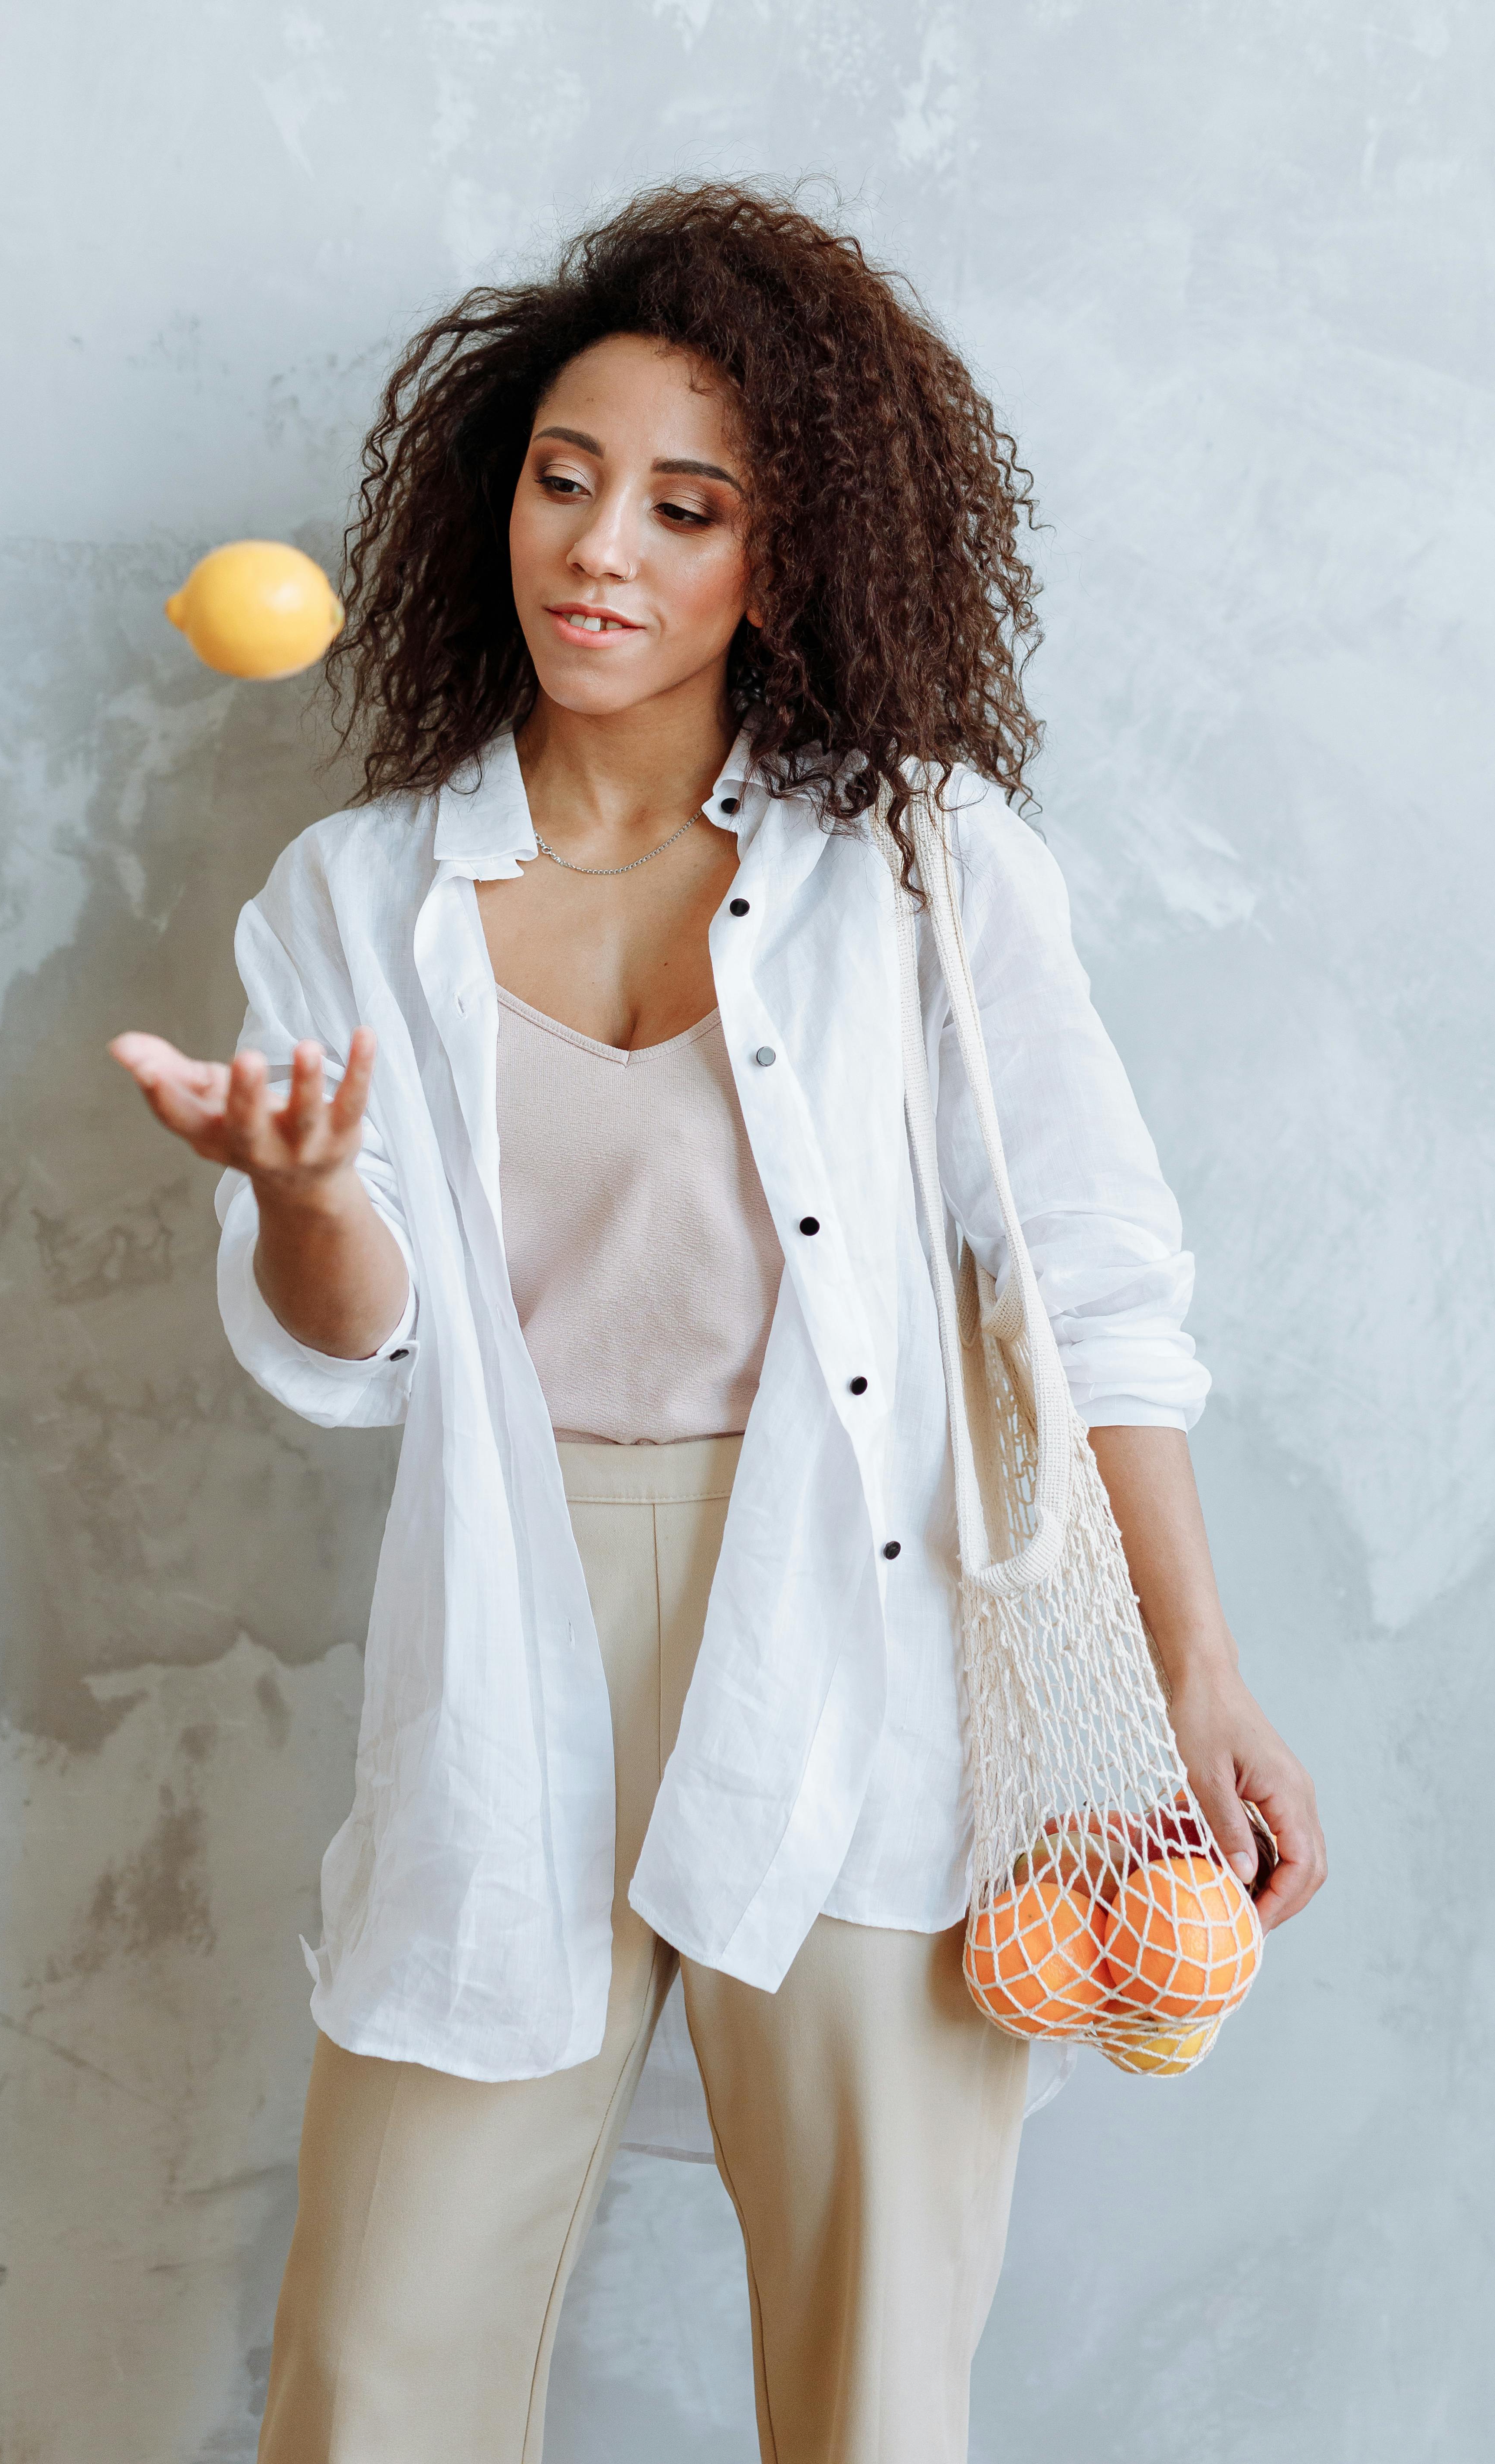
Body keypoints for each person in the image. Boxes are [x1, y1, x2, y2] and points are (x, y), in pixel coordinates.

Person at [112, 183, 1326, 2464]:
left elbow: (1090, 1283)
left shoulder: (932, 865)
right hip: (511, 1618)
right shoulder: (359, 897)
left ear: (792, 552)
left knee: (873, 2378)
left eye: (691, 505)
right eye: (566, 479)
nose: (603, 549)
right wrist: (295, 1197)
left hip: (871, 1630)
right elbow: (353, 1346)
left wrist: (1198, 1669)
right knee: (375, 2372)